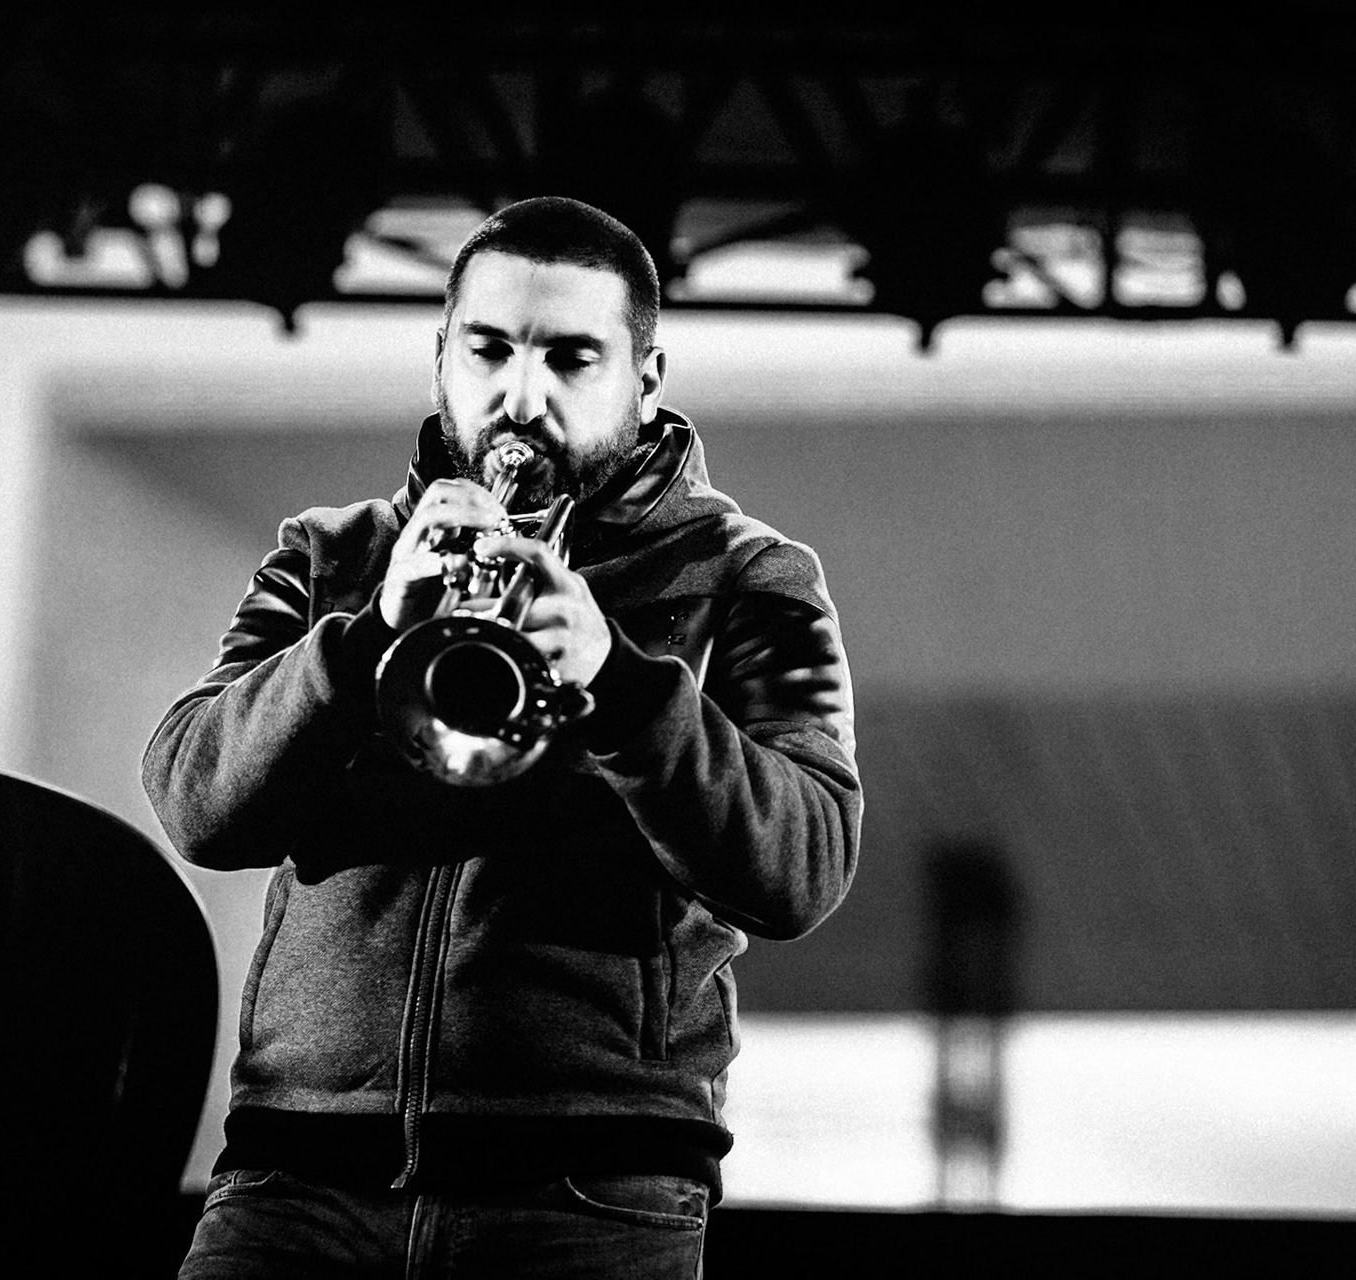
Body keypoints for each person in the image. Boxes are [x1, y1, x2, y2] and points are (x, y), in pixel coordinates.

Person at [143, 195, 862, 1278]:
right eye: (489, 352)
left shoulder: (753, 577)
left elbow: (806, 861)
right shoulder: (328, 556)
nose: (521, 397)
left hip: (590, 1195)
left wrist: (623, 685)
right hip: (296, 1182)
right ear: (441, 358)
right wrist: (366, 634)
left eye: (570, 357)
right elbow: (197, 800)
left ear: (646, 379)